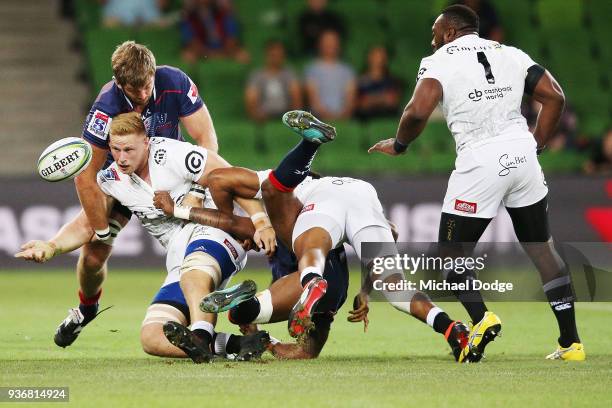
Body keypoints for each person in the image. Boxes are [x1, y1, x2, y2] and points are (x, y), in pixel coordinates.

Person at [160, 110, 472, 361]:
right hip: (358, 198)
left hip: (315, 223)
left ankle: (307, 281)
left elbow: (220, 181)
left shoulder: (282, 209)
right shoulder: (288, 211)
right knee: (395, 287)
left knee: (293, 236)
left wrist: (181, 210)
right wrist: (366, 290)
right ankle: (452, 328)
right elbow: (391, 229)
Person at [369, 5, 584, 361]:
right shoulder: (509, 53)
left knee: (449, 259)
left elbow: (417, 111)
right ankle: (571, 343)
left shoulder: (438, 61)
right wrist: (536, 145)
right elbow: (555, 97)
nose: (433, 39)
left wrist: (401, 144)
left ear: (451, 32)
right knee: (542, 249)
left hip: (479, 161)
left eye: (436, 32)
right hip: (522, 155)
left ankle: (483, 318)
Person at [16, 112, 275, 363]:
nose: (121, 158)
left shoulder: (173, 154)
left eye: (129, 150)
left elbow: (234, 181)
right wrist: (51, 246)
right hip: (179, 256)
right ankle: (237, 344)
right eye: (115, 150)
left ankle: (200, 335)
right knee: (152, 337)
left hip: (217, 232)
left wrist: (260, 223)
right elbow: (86, 225)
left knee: (194, 274)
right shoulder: (111, 180)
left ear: (146, 142)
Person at [52, 41, 219, 350]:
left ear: (153, 73)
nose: (142, 95)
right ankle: (86, 310)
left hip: (170, 179)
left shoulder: (176, 82)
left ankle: (212, 321)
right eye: (134, 90)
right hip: (124, 182)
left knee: (200, 245)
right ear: (119, 83)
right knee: (92, 257)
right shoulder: (106, 106)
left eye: (146, 86)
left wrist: (197, 190)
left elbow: (206, 137)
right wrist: (100, 229)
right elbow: (86, 175)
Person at [244, 40, 302, 123]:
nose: (276, 58)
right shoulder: (257, 75)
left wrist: (294, 116)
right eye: (273, 55)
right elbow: (251, 97)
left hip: (285, 113)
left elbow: (296, 96)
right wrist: (255, 114)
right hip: (264, 113)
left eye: (279, 55)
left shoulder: (289, 73)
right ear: (267, 55)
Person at [304, 30, 356, 120]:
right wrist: (327, 116)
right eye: (326, 42)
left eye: (333, 42)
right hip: (318, 119)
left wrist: (343, 115)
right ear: (320, 45)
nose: (330, 45)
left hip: (343, 119)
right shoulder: (311, 69)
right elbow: (313, 101)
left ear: (338, 45)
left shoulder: (347, 70)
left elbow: (350, 101)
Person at [180, 0, 250, 63]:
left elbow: (231, 39)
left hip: (225, 51)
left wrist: (222, 53)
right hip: (204, 53)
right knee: (187, 56)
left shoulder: (223, 13)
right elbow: (193, 43)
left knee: (244, 56)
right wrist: (210, 54)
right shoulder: (189, 17)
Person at [355, 45, 404, 121]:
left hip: (387, 118)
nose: (378, 60)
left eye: (381, 56)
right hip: (365, 120)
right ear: (369, 58)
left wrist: (371, 99)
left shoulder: (392, 81)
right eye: (375, 56)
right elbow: (361, 103)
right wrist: (382, 98)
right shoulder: (360, 81)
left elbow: (392, 101)